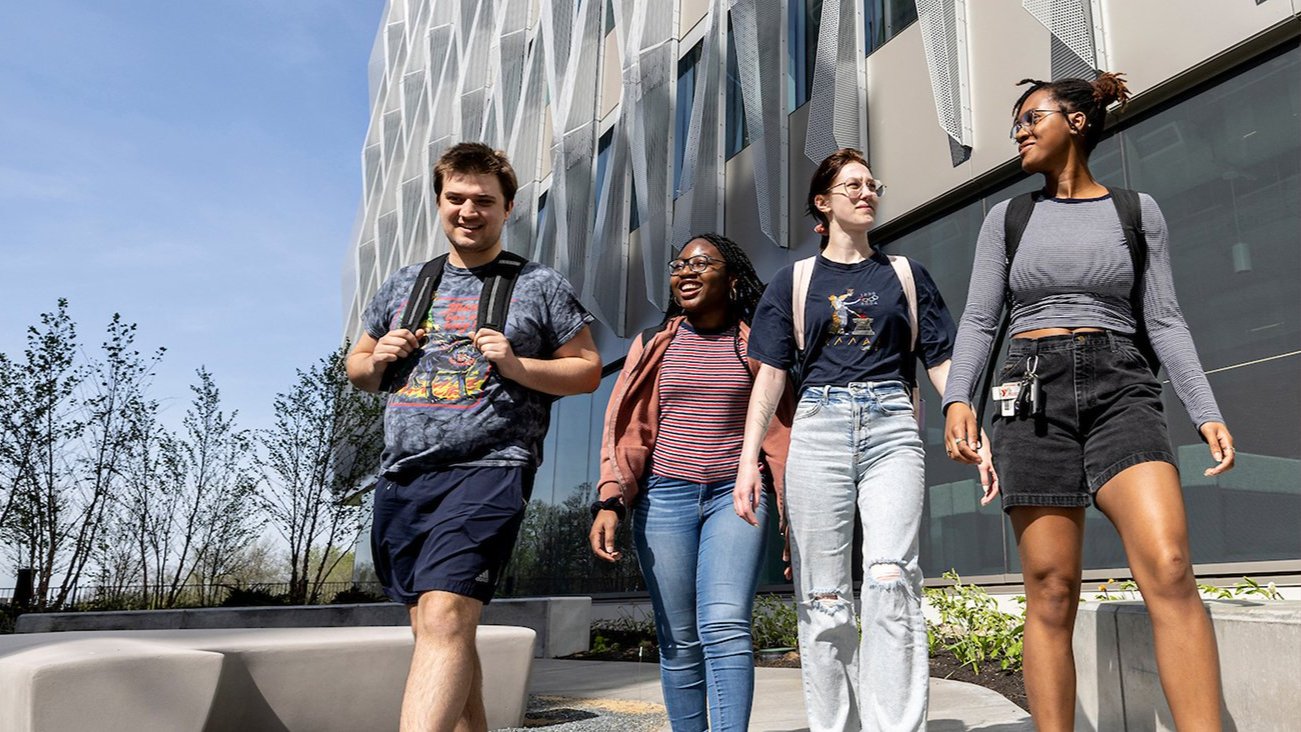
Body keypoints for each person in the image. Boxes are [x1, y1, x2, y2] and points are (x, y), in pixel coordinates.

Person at [942, 73, 1236, 732]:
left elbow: (1163, 320)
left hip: (1121, 387)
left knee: (1168, 565)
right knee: (1050, 590)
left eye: (1030, 116)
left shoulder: (1136, 211)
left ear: (1076, 122)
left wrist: (1204, 407)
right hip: (1029, 391)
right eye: (1014, 121)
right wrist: (957, 398)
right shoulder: (1007, 217)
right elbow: (980, 319)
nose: (1018, 130)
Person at [735, 148, 994, 732]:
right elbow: (770, 377)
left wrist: (969, 422)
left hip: (891, 424)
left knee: (890, 576)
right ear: (822, 203)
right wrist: (749, 461)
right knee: (823, 595)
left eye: (871, 183)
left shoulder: (905, 274)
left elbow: (942, 360)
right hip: (819, 428)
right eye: (851, 185)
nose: (866, 192)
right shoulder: (794, 281)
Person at [346, 142, 602, 732]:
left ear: (507, 208)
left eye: (483, 200)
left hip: (489, 468)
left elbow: (587, 369)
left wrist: (518, 366)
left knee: (443, 621)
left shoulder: (537, 285)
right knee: (442, 630)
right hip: (404, 475)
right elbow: (358, 368)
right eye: (455, 198)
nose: (468, 210)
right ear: (439, 203)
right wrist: (377, 356)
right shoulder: (405, 284)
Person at [590, 233, 792, 731]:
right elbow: (628, 432)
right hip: (664, 500)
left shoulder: (758, 343)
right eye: (679, 264)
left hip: (736, 496)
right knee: (679, 638)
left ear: (733, 279)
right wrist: (611, 500)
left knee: (724, 625)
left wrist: (795, 511)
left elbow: (781, 434)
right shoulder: (652, 344)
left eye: (702, 263)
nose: (686, 272)